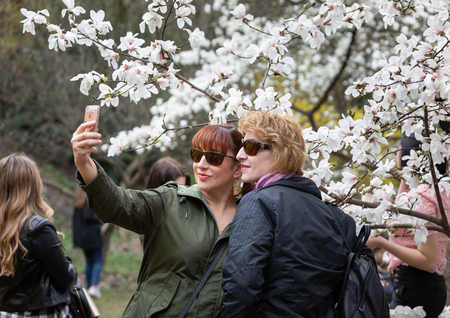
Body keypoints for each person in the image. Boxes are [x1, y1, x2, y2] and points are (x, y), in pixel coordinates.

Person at [71, 121, 250, 318]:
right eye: (197, 155)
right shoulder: (170, 200)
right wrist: (84, 162)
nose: (201, 164)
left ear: (237, 168)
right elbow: (118, 204)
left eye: (214, 158)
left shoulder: (251, 219)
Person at [221, 111, 375, 318]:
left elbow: (241, 281)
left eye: (250, 147)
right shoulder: (337, 217)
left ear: (280, 152)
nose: (240, 154)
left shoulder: (259, 201)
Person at [367, 134, 450, 318]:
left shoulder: (422, 198)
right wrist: (405, 176)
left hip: (417, 289)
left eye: (400, 151)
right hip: (418, 287)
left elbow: (428, 261)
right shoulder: (437, 190)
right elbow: (399, 213)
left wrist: (381, 242)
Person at [0, 153, 77, 317]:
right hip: (38, 313)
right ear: (33, 185)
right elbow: (65, 278)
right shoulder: (37, 228)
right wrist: (69, 265)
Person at [73, 185, 104, 299]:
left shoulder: (77, 202)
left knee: (89, 261)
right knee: (98, 260)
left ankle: (89, 287)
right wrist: (99, 218)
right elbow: (88, 216)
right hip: (92, 236)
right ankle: (94, 286)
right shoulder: (88, 200)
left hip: (83, 238)